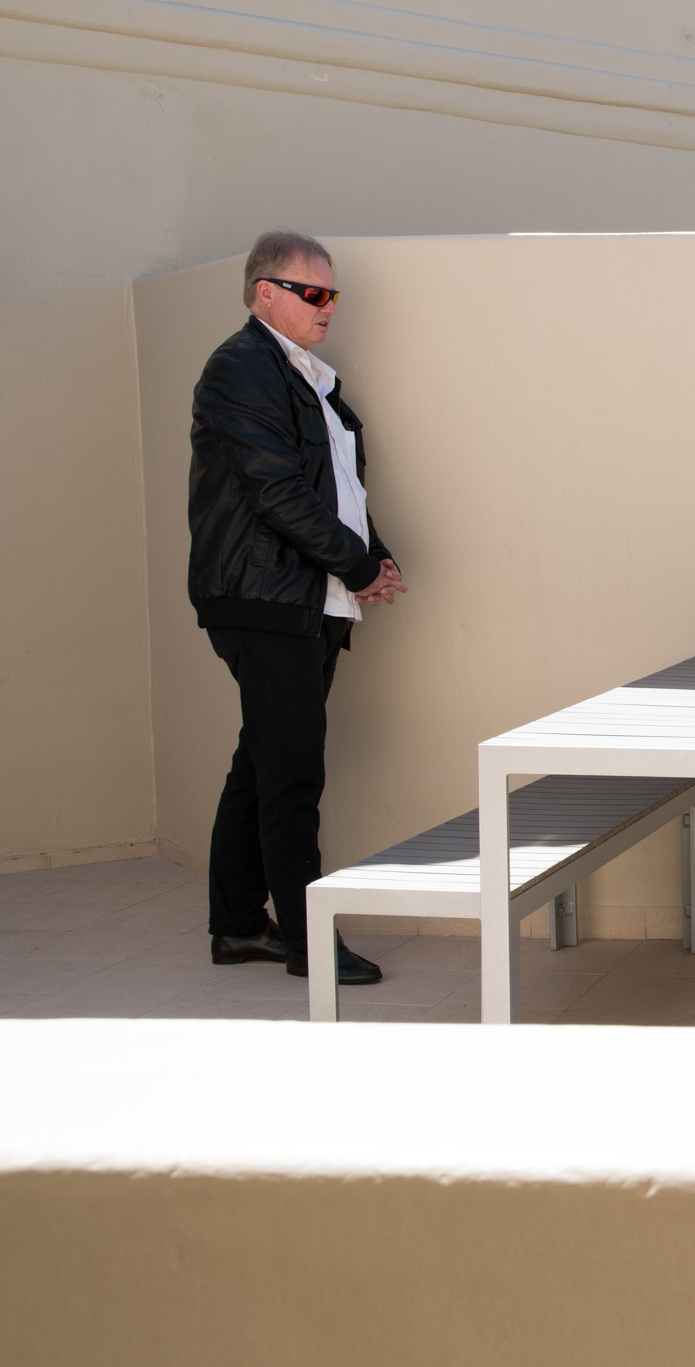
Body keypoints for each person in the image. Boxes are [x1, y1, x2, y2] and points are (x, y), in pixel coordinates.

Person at [188, 230, 406, 986]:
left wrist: (371, 557)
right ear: (264, 294)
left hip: (305, 596)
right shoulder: (241, 368)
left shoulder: (309, 375)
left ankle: (238, 925)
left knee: (261, 761)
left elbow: (339, 486)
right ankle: (308, 944)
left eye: (331, 293)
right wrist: (355, 562)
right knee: (290, 776)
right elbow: (275, 492)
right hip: (263, 597)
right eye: (311, 292)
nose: (326, 306)